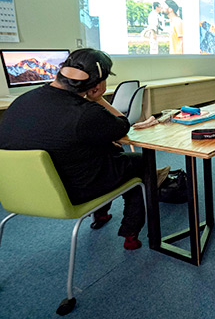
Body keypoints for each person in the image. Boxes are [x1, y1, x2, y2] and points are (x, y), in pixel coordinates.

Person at [0, 49, 147, 250]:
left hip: (21, 193)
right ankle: (130, 234)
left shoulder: (20, 102)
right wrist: (98, 99)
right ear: (98, 83)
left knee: (104, 148)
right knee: (140, 162)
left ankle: (101, 214)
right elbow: (123, 124)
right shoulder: (86, 112)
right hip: (72, 191)